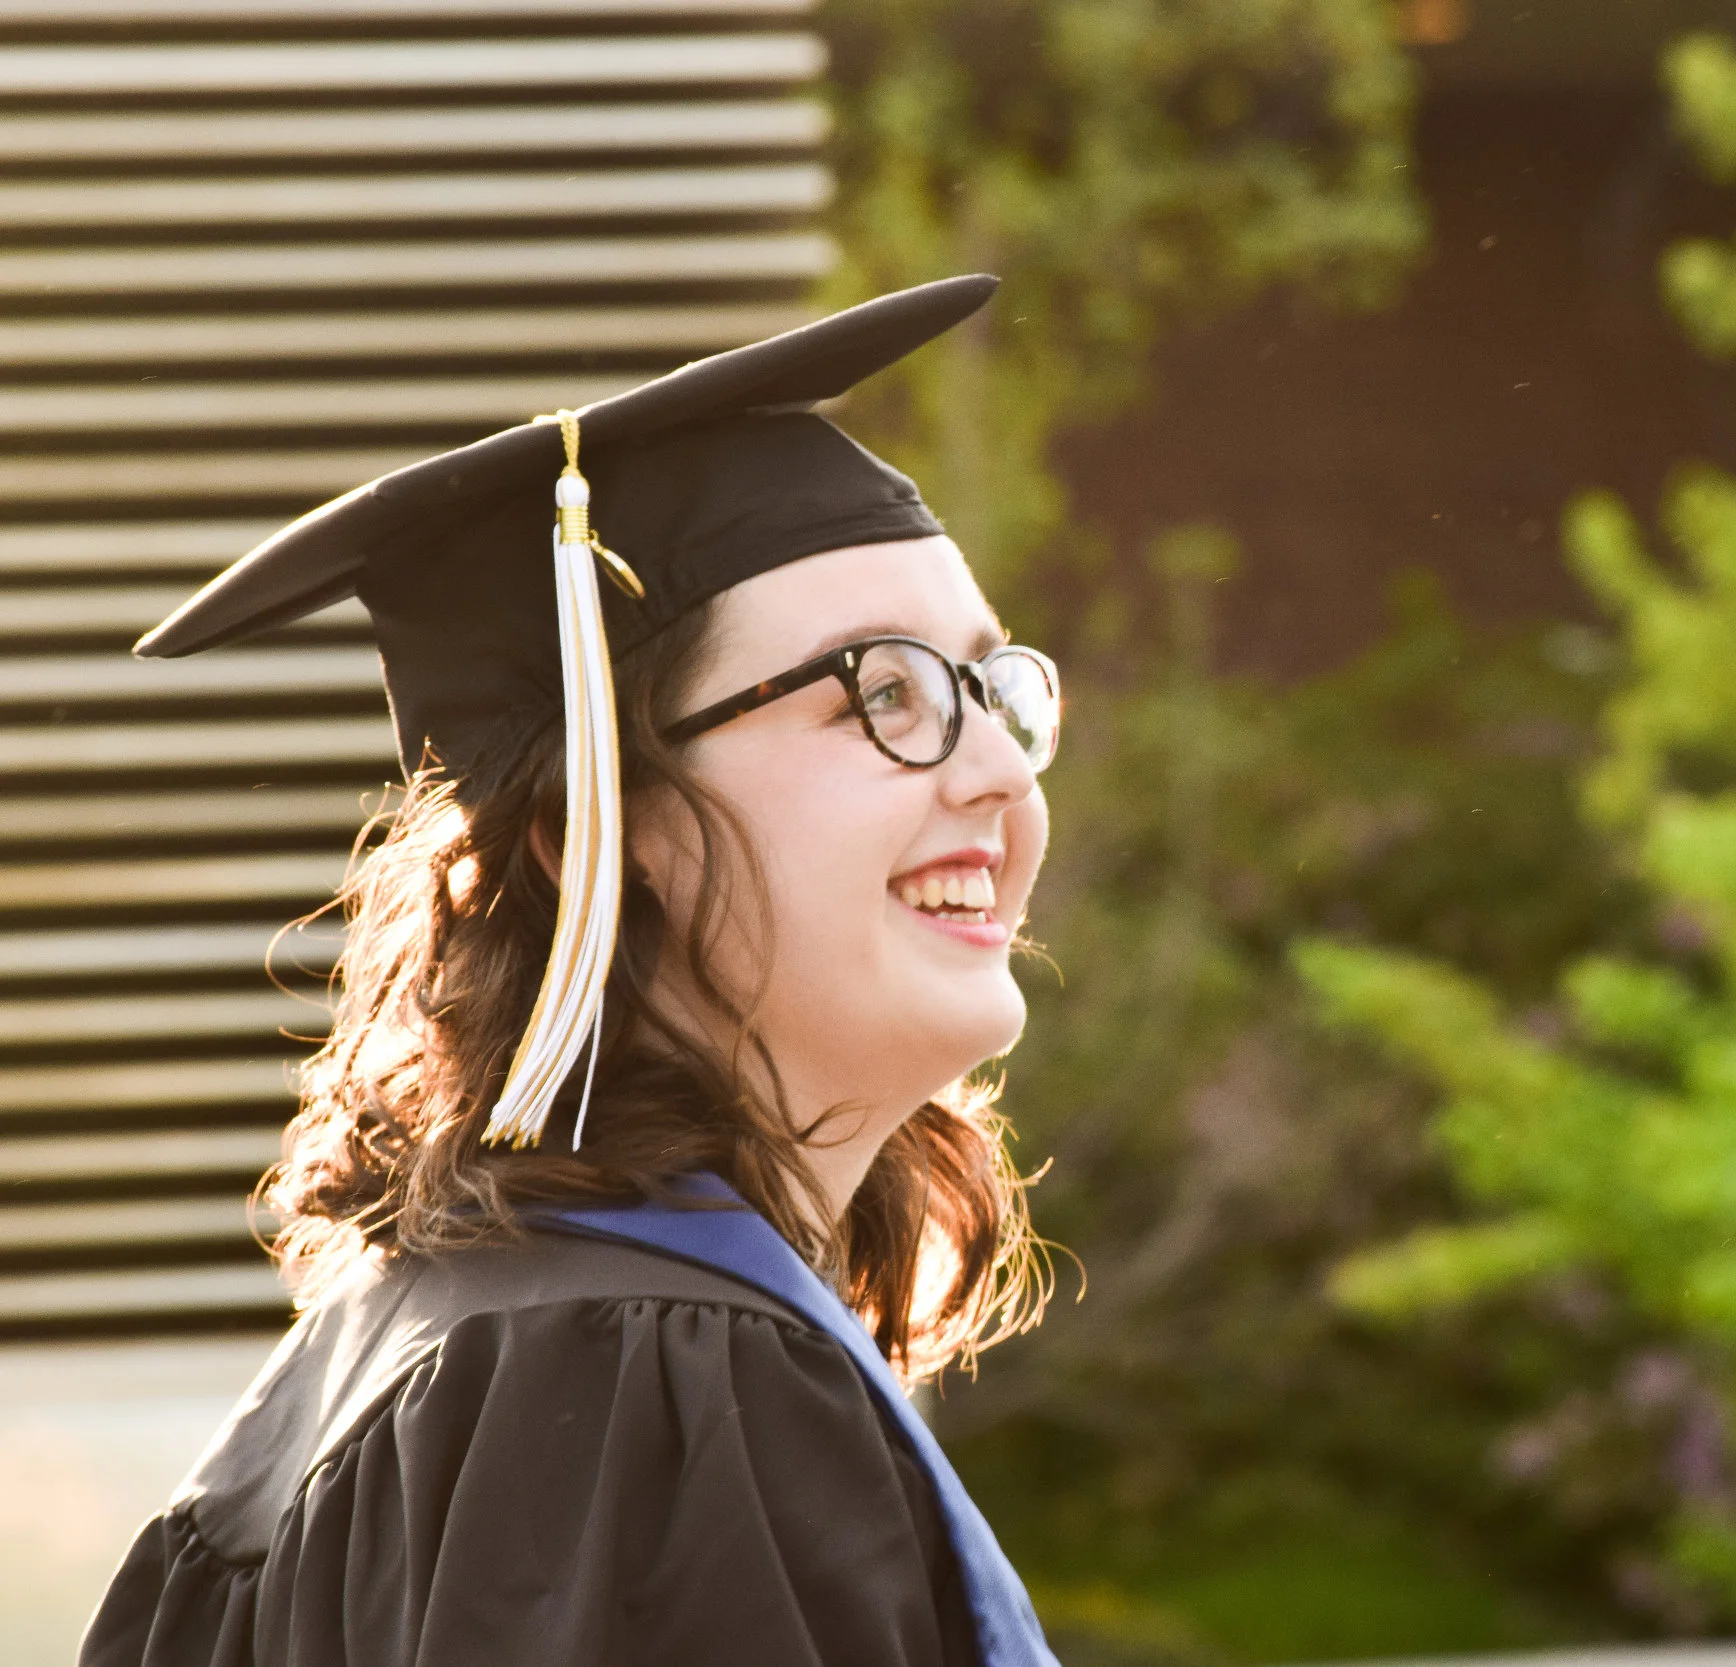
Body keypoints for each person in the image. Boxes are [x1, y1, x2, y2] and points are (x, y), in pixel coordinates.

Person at [79, 276, 1064, 1667]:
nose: (998, 771)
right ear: (603, 830)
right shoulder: (647, 1382)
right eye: (884, 692)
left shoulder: (447, 1345)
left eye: (997, 690)